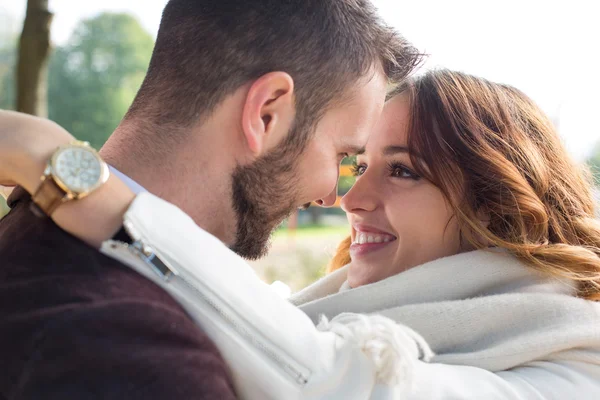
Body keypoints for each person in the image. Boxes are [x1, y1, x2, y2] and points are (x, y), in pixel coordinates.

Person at [3, 69, 600, 399]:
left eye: (403, 171)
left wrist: (70, 173)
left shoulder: (576, 364)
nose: (352, 199)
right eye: (357, 164)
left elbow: (341, 383)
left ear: (496, 207)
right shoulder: (317, 311)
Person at [0, 0, 421, 398]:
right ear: (265, 113)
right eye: (342, 155)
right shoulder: (141, 351)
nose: (333, 196)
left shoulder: (30, 235)